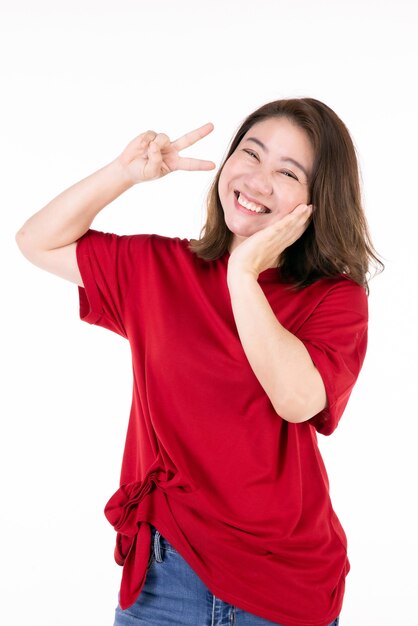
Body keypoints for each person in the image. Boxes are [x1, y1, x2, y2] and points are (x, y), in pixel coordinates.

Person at [15, 97, 382, 626]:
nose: (257, 180)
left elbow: (298, 400)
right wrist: (124, 173)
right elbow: (37, 241)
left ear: (317, 201)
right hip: (165, 581)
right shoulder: (158, 269)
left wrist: (242, 276)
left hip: (285, 589)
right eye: (250, 154)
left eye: (287, 172)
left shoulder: (333, 299)